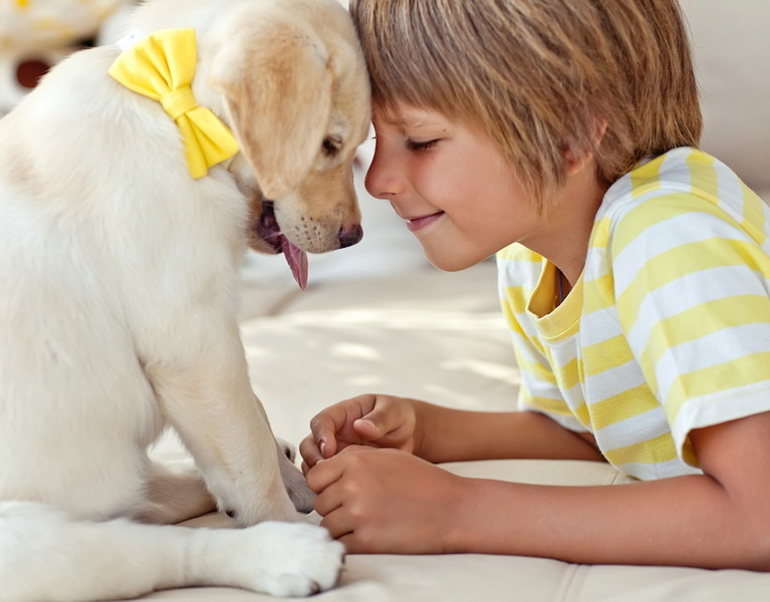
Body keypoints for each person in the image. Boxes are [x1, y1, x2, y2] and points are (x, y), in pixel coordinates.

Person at [299, 0, 770, 569]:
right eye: (377, 143)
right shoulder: (535, 255)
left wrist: (455, 511)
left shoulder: (668, 238)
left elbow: (758, 516)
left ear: (571, 136)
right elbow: (598, 431)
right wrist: (426, 432)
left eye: (420, 141)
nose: (377, 181)